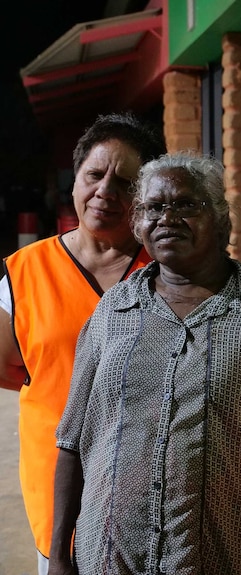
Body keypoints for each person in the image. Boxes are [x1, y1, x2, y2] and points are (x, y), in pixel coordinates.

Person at [49, 153, 241, 575]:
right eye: (153, 207)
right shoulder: (112, 312)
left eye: (186, 204)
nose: (166, 218)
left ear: (221, 220)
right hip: (108, 559)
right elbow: (72, 441)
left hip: (226, 560)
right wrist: (60, 556)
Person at [0, 112, 165, 575]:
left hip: (149, 496)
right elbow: (10, 368)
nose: (106, 192)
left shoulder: (169, 270)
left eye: (125, 182)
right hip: (56, 500)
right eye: (95, 174)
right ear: (75, 178)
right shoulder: (24, 271)